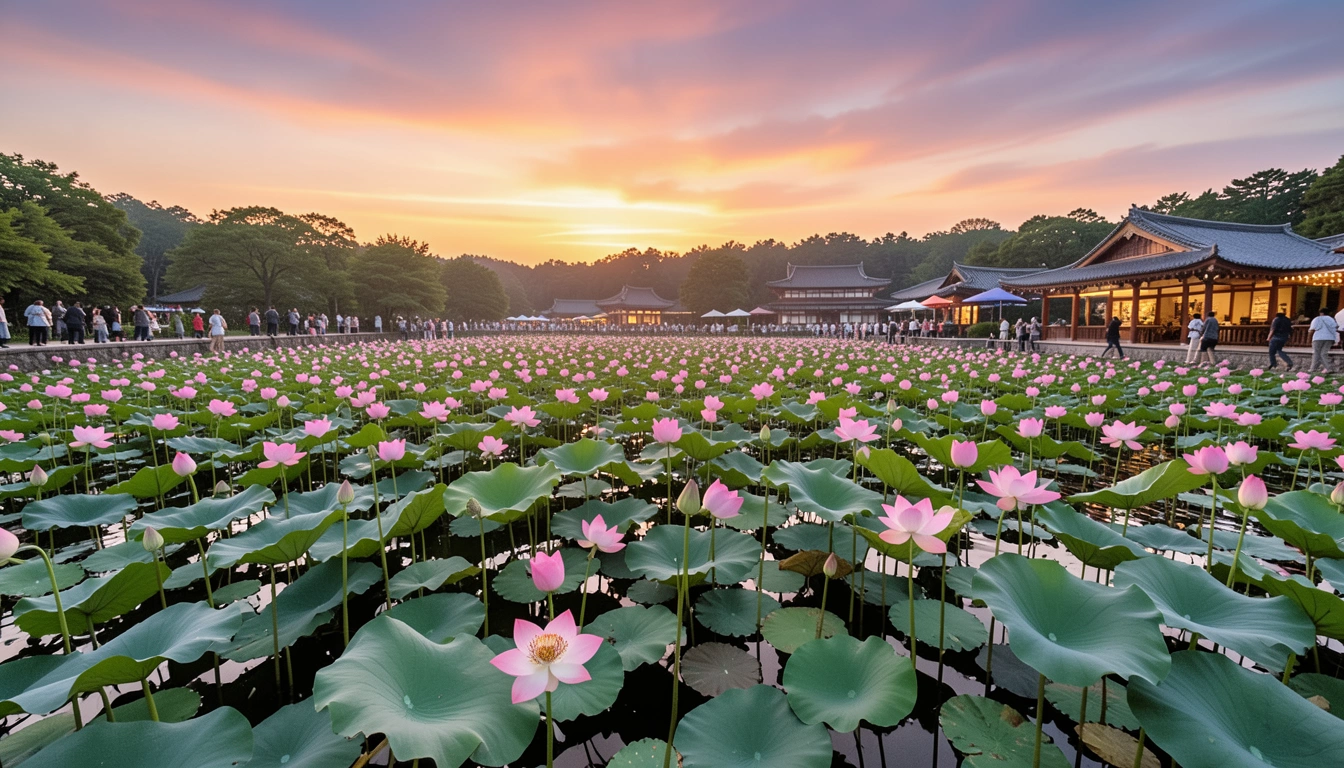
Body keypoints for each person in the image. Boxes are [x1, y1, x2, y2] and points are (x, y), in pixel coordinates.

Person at [1309, 307, 1337, 374]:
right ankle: (1329, 368)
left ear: (1321, 313)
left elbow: (1312, 329)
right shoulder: (1332, 319)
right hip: (1330, 338)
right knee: (1324, 353)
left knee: (1316, 353)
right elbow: (1335, 328)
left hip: (1318, 338)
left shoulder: (1317, 319)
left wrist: (1309, 338)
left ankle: (1313, 368)